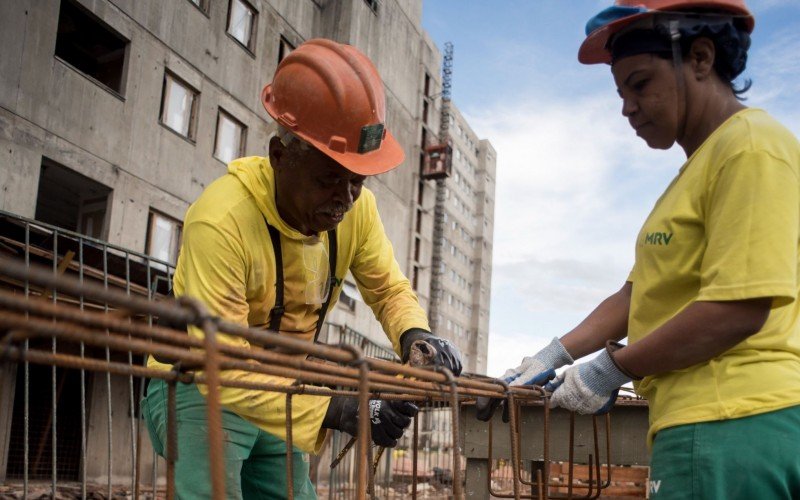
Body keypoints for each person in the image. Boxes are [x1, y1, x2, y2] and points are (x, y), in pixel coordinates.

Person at [479, 1, 800, 498]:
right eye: (620, 91)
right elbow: (636, 295)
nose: (627, 106)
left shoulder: (751, 148)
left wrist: (611, 369)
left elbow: (739, 307)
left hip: (730, 423)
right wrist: (555, 352)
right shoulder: (694, 174)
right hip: (707, 426)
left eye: (641, 83)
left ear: (699, 57)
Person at [141, 38, 462, 499]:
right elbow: (225, 365)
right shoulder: (222, 220)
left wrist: (417, 337)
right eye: (329, 179)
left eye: (357, 180)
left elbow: (389, 289)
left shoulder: (356, 210)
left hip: (284, 389)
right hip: (200, 383)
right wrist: (342, 407)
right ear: (279, 156)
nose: (345, 199)